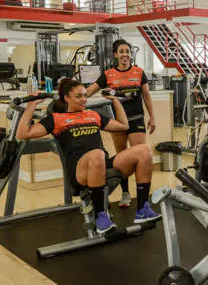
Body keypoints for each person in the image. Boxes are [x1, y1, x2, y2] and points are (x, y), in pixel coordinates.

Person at [16, 78, 161, 234]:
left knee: (144, 150)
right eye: (79, 96)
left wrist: (115, 101)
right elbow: (23, 133)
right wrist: (31, 105)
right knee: (97, 154)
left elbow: (123, 125)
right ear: (66, 98)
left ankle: (142, 209)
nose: (84, 99)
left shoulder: (93, 115)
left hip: (102, 163)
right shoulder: (56, 119)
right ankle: (100, 216)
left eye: (85, 95)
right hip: (80, 171)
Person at [87, 39, 155, 208]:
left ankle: (143, 199)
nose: (125, 55)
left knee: (142, 156)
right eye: (121, 52)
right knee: (122, 158)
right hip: (117, 121)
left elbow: (146, 96)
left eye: (127, 51)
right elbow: (89, 91)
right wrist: (74, 96)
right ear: (115, 54)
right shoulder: (108, 74)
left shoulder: (139, 72)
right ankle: (125, 193)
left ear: (130, 54)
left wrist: (152, 117)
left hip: (136, 118)